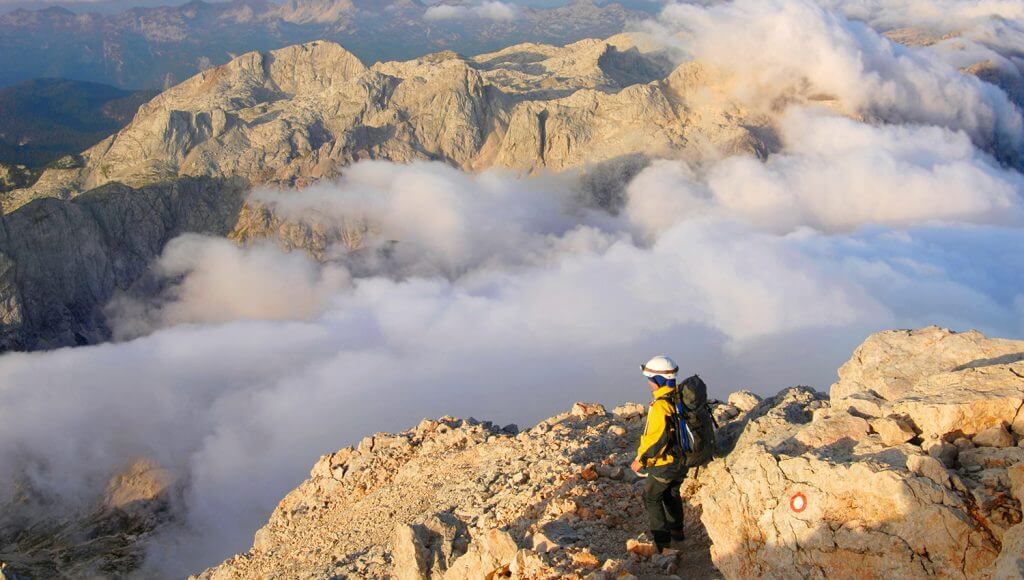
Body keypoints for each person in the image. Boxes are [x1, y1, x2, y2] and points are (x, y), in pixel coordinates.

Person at [630, 355, 687, 552]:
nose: (648, 382)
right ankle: (677, 532)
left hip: (665, 463)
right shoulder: (678, 397)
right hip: (682, 460)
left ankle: (663, 544)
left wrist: (641, 460)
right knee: (672, 493)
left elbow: (657, 438)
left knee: (651, 497)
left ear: (657, 379)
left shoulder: (660, 406)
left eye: (650, 378)